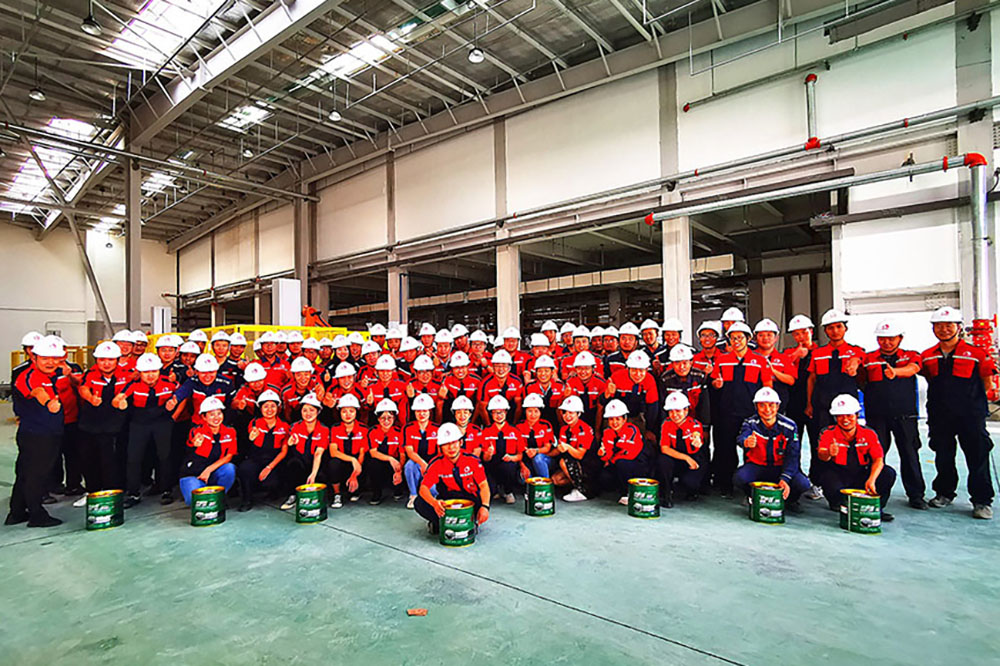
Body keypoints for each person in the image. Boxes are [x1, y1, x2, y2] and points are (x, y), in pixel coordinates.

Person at [920, 306, 997, 519]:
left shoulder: (976, 354)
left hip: (970, 416)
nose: (944, 329)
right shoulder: (928, 356)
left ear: (959, 327)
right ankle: (944, 493)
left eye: (949, 325)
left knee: (977, 456)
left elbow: (988, 383)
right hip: (940, 415)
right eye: (939, 326)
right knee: (943, 455)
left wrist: (971, 403)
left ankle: (982, 501)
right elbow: (929, 379)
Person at [861, 319, 927, 510]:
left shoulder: (911, 355)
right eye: (882, 338)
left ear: (900, 338)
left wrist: (895, 372)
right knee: (875, 454)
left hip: (905, 415)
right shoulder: (869, 359)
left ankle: (916, 495)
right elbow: (861, 380)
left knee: (909, 454)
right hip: (877, 416)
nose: (887, 342)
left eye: (891, 338)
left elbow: (913, 368)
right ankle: (872, 489)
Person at [6, 336, 66, 527]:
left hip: (44, 432)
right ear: (34, 357)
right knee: (37, 475)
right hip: (38, 435)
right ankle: (36, 515)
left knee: (25, 472)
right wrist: (49, 403)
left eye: (54, 358)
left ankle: (17, 512)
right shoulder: (30, 377)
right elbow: (38, 391)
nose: (50, 362)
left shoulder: (50, 374)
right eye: (45, 358)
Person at [709, 322, 773, 497]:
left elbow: (767, 384)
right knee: (726, 449)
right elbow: (714, 381)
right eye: (733, 338)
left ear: (748, 339)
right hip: (727, 412)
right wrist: (716, 383)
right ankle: (726, 485)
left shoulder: (760, 361)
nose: (736, 341)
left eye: (740, 337)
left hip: (751, 414)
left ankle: (750, 486)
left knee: (752, 449)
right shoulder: (722, 359)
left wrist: (765, 409)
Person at [805, 309, 863, 489]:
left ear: (845, 328)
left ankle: (847, 481)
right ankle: (817, 483)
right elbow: (812, 378)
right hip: (822, 406)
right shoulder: (818, 353)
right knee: (820, 443)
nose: (835, 331)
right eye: (830, 328)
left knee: (847, 445)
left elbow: (861, 366)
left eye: (839, 326)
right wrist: (809, 403)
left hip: (846, 412)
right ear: (825, 331)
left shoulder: (856, 351)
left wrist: (855, 362)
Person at [816, 394, 896, 522]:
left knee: (888, 473)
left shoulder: (869, 433)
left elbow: (878, 459)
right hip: (839, 475)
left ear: (857, 415)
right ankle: (839, 503)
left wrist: (871, 480)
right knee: (825, 475)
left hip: (862, 474)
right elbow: (822, 455)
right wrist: (829, 453)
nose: (845, 419)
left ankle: (877, 508)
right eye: (840, 416)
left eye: (849, 415)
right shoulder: (827, 432)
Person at [732, 387, 810, 512]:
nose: (767, 410)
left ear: (778, 406)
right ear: (756, 407)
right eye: (762, 405)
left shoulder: (790, 426)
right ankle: (752, 496)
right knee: (740, 477)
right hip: (758, 466)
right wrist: (746, 442)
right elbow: (742, 437)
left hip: (781, 467)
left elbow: (793, 455)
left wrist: (785, 478)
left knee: (803, 483)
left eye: (771, 405)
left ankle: (790, 500)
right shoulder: (750, 423)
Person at [118, 354, 177, 507]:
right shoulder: (133, 385)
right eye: (146, 372)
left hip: (162, 423)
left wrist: (174, 415)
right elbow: (118, 398)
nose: (150, 375)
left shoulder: (169, 384)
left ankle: (166, 490)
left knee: (165, 456)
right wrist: (120, 402)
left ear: (159, 371)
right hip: (139, 423)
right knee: (134, 457)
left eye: (154, 371)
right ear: (140, 372)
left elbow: (181, 398)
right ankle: (133, 493)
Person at [414, 423, 491, 535]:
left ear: (461, 442)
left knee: (484, 499)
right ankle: (441, 522)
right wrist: (434, 503)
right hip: (447, 501)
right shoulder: (436, 464)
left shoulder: (472, 460)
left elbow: (484, 485)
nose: (451, 448)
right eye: (446, 444)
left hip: (470, 499)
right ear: (440, 447)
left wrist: (485, 507)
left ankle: (463, 522)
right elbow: (423, 488)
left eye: (454, 442)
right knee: (419, 503)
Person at [78, 341, 132, 497]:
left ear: (117, 360)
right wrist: (91, 398)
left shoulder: (126, 376)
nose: (106, 363)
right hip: (91, 425)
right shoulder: (90, 374)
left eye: (110, 360)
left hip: (116, 427)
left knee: (113, 460)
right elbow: (83, 388)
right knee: (90, 459)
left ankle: (114, 492)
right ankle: (92, 492)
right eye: (102, 360)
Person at [178, 397, 237, 506]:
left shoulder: (230, 431)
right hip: (193, 475)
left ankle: (218, 498)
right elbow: (193, 441)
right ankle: (208, 496)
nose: (216, 417)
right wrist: (195, 443)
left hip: (212, 473)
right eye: (211, 414)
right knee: (193, 499)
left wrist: (208, 470)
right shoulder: (196, 431)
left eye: (219, 413)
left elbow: (229, 456)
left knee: (229, 468)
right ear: (204, 417)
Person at [237, 390, 289, 512]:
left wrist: (269, 467)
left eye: (273, 406)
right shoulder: (255, 423)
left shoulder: (285, 426)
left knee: (272, 481)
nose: (269, 410)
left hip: (274, 461)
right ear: (260, 408)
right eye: (266, 406)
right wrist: (252, 436)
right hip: (256, 459)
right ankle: (247, 500)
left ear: (278, 408)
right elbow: (251, 436)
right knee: (244, 469)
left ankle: (274, 493)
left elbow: (284, 451)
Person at [656, 392, 706, 507]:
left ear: (686, 410)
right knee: (662, 461)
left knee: (690, 482)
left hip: (693, 459)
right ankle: (666, 493)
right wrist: (686, 458)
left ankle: (692, 491)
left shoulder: (694, 424)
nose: (674, 415)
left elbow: (696, 434)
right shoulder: (666, 424)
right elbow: (665, 448)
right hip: (676, 458)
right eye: (671, 411)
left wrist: (697, 440)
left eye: (678, 411)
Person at [282, 393, 329, 510]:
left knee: (322, 475)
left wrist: (313, 473)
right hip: (301, 464)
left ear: (318, 412)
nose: (308, 413)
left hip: (316, 465)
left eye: (312, 410)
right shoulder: (295, 427)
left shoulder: (324, 429)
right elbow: (289, 443)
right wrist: (290, 442)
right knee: (292, 463)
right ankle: (292, 495)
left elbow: (318, 453)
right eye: (305, 410)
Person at [598, 399, 649, 504]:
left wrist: (611, 460)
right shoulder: (607, 432)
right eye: (611, 419)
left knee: (622, 463)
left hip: (637, 464)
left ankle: (627, 493)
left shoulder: (632, 430)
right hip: (618, 463)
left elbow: (629, 454)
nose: (614, 422)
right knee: (604, 476)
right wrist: (602, 454)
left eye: (618, 419)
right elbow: (607, 454)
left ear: (624, 419)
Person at [550, 396, 598, 502]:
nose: (567, 416)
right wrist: (543, 454)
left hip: (588, 465)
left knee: (563, 462)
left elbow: (579, 455)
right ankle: (580, 485)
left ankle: (583, 490)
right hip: (575, 464)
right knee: (555, 480)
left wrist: (567, 447)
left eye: (571, 413)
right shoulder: (564, 429)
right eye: (565, 412)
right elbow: (559, 449)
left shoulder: (585, 429)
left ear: (578, 414)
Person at [481, 395, 526, 504]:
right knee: (490, 493)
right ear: (491, 414)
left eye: (501, 412)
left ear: (506, 412)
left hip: (508, 464)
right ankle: (496, 489)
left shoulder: (514, 431)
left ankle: (508, 491)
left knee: (509, 467)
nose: (499, 415)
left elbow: (520, 455)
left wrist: (512, 457)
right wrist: (488, 454)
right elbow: (485, 459)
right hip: (492, 465)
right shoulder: (486, 432)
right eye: (495, 412)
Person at [324, 394, 367, 507]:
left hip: (357, 466)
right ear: (339, 413)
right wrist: (352, 459)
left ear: (356, 412)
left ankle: (356, 488)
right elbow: (333, 452)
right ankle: (337, 494)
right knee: (333, 463)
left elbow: (362, 454)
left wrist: (355, 474)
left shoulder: (363, 429)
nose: (348, 414)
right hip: (342, 462)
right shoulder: (335, 428)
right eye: (344, 411)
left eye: (351, 411)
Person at [403, 393, 440, 509]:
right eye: (418, 411)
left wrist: (431, 467)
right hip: (416, 461)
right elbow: (410, 452)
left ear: (429, 411)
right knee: (409, 466)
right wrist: (422, 464)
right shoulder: (408, 428)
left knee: (433, 491)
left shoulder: (437, 428)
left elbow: (440, 453)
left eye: (424, 411)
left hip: (433, 463)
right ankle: (413, 495)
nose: (422, 414)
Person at [366, 399, 405, 504]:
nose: (386, 421)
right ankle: (376, 493)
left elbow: (402, 455)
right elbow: (373, 453)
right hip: (381, 462)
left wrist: (399, 471)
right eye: (383, 418)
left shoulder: (399, 432)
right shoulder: (373, 431)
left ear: (394, 418)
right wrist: (390, 459)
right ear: (378, 419)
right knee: (373, 463)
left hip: (395, 465)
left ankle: (398, 489)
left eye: (389, 417)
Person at [754, 319, 797, 411]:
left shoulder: (784, 358)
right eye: (761, 335)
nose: (765, 338)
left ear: (776, 338)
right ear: (755, 337)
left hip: (778, 403)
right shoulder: (749, 356)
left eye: (769, 335)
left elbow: (791, 380)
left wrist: (774, 371)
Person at [476, 349, 523, 425]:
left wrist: (514, 425)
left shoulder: (517, 381)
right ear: (493, 367)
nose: (501, 369)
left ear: (509, 367)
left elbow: (519, 407)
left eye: (504, 365)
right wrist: (489, 427)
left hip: (510, 415)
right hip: (492, 416)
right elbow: (482, 408)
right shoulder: (485, 383)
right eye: (497, 365)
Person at [565, 351, 606, 430]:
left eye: (587, 368)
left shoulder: (600, 382)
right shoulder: (571, 381)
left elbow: (600, 409)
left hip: (595, 415)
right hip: (577, 415)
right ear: (575, 369)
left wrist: (597, 430)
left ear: (592, 369)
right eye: (580, 368)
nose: (583, 372)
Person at [517, 393, 555, 478]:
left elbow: (547, 448)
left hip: (543, 459)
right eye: (530, 411)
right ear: (525, 411)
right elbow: (517, 450)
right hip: (526, 460)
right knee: (524, 478)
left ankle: (544, 483)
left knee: (538, 459)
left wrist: (536, 451)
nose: (533, 415)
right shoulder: (519, 426)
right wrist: (522, 466)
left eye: (536, 411)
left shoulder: (546, 425)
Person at [437, 351, 479, 423]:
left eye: (463, 367)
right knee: (440, 401)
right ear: (452, 368)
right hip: (453, 411)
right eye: (456, 368)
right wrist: (441, 396)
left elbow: (479, 403)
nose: (460, 371)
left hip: (471, 411)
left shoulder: (476, 380)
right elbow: (441, 401)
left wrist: (472, 422)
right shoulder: (448, 378)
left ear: (468, 367)